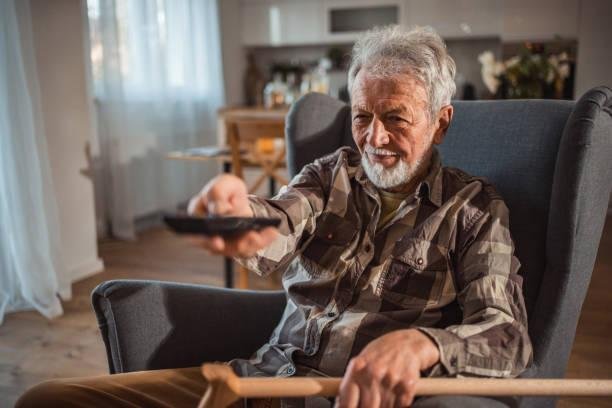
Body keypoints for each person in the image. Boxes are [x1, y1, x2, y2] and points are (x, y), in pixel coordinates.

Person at [17, 25, 532, 408]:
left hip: (351, 399)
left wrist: (422, 344)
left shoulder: (475, 210)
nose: (374, 138)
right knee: (46, 399)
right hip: (256, 382)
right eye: (361, 117)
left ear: (441, 123)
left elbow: (507, 338)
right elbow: (274, 224)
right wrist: (235, 213)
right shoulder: (330, 175)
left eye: (395, 118)